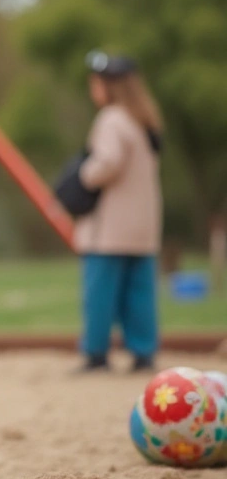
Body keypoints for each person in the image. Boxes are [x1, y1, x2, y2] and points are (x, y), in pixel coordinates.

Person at [74, 50, 163, 373]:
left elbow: (108, 163)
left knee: (100, 292)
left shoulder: (112, 118)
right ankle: (143, 352)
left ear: (109, 86)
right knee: (140, 293)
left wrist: (84, 174)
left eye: (96, 82)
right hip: (143, 226)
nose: (92, 88)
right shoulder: (145, 119)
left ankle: (96, 352)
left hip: (111, 228)